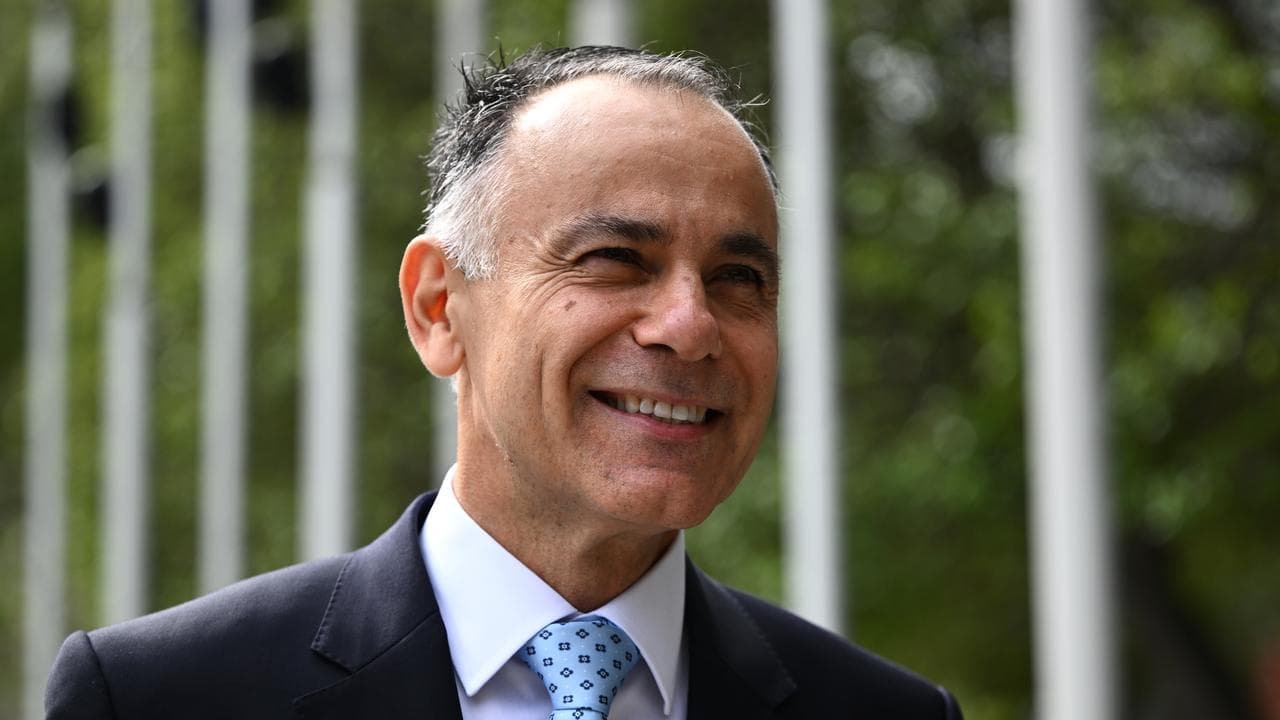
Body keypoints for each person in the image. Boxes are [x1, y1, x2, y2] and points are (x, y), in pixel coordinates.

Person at [45, 46, 962, 719]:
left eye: (738, 279)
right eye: (615, 259)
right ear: (439, 308)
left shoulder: (888, 715)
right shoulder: (157, 697)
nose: (690, 325)